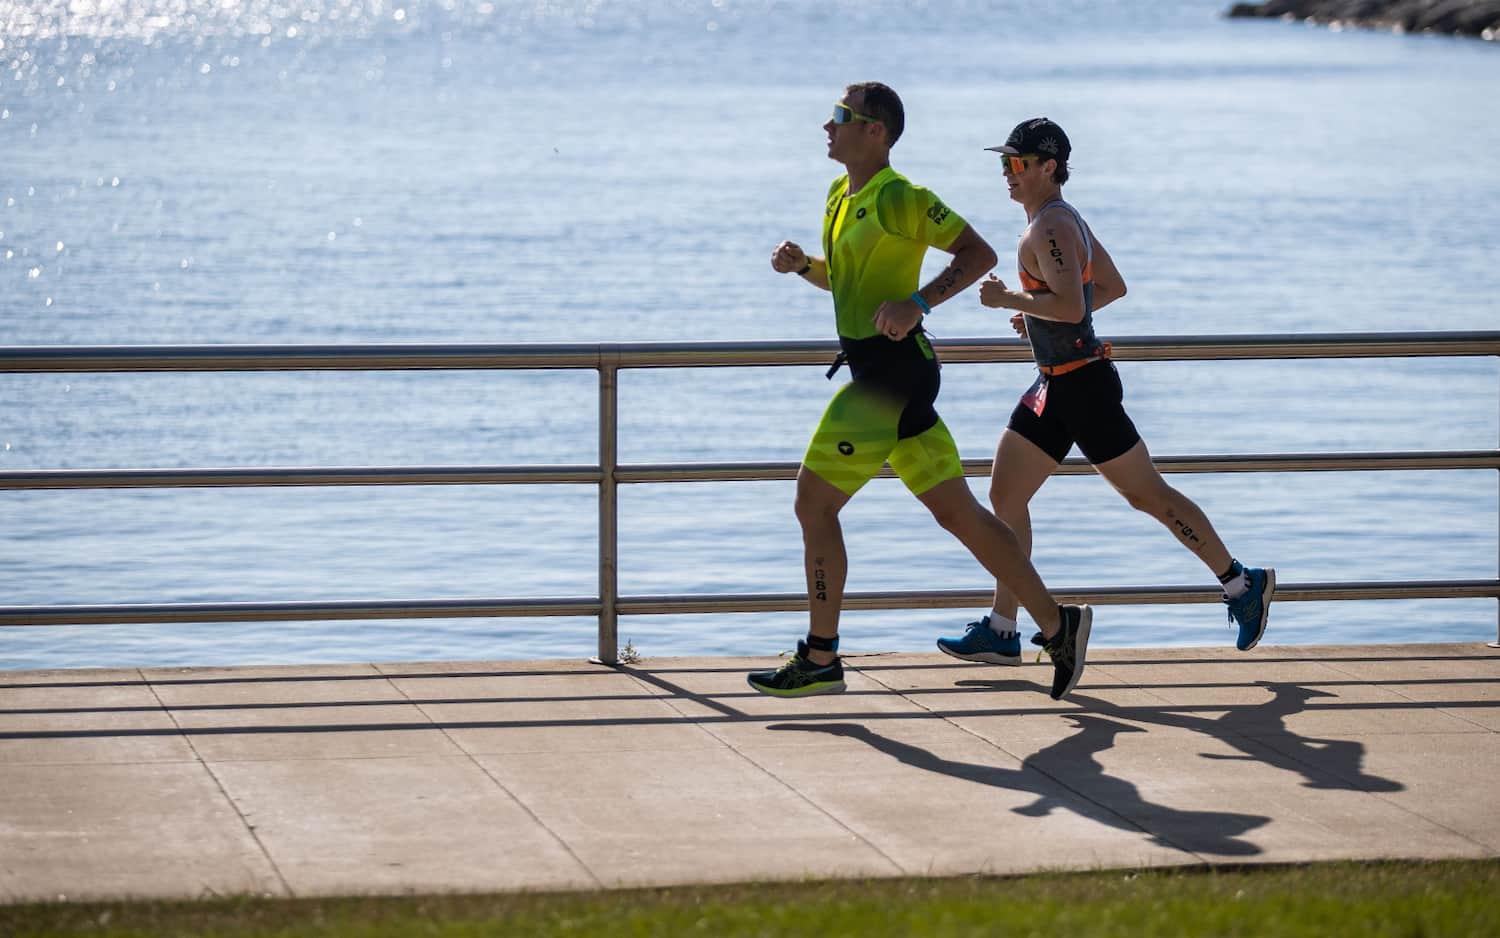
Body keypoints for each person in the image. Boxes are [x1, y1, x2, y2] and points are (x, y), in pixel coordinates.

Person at [748, 84, 1093, 702]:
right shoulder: (838, 194)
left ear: (876, 131)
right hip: (876, 368)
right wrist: (804, 266)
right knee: (958, 513)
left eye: (841, 117)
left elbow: (977, 251)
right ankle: (1056, 623)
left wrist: (918, 301)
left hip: (892, 376)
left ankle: (821, 657)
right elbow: (850, 285)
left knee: (813, 503)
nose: (828, 127)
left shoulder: (902, 197)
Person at [936, 117, 1274, 669]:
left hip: (1084, 388)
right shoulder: (1061, 222)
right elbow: (1105, 289)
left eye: (1017, 164)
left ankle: (1242, 584)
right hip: (1055, 385)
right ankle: (1002, 628)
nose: (1007, 173)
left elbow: (1073, 305)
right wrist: (1042, 321)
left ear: (1050, 168)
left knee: (1148, 496)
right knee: (1004, 496)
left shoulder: (1050, 228)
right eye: (1003, 163)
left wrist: (1011, 303)